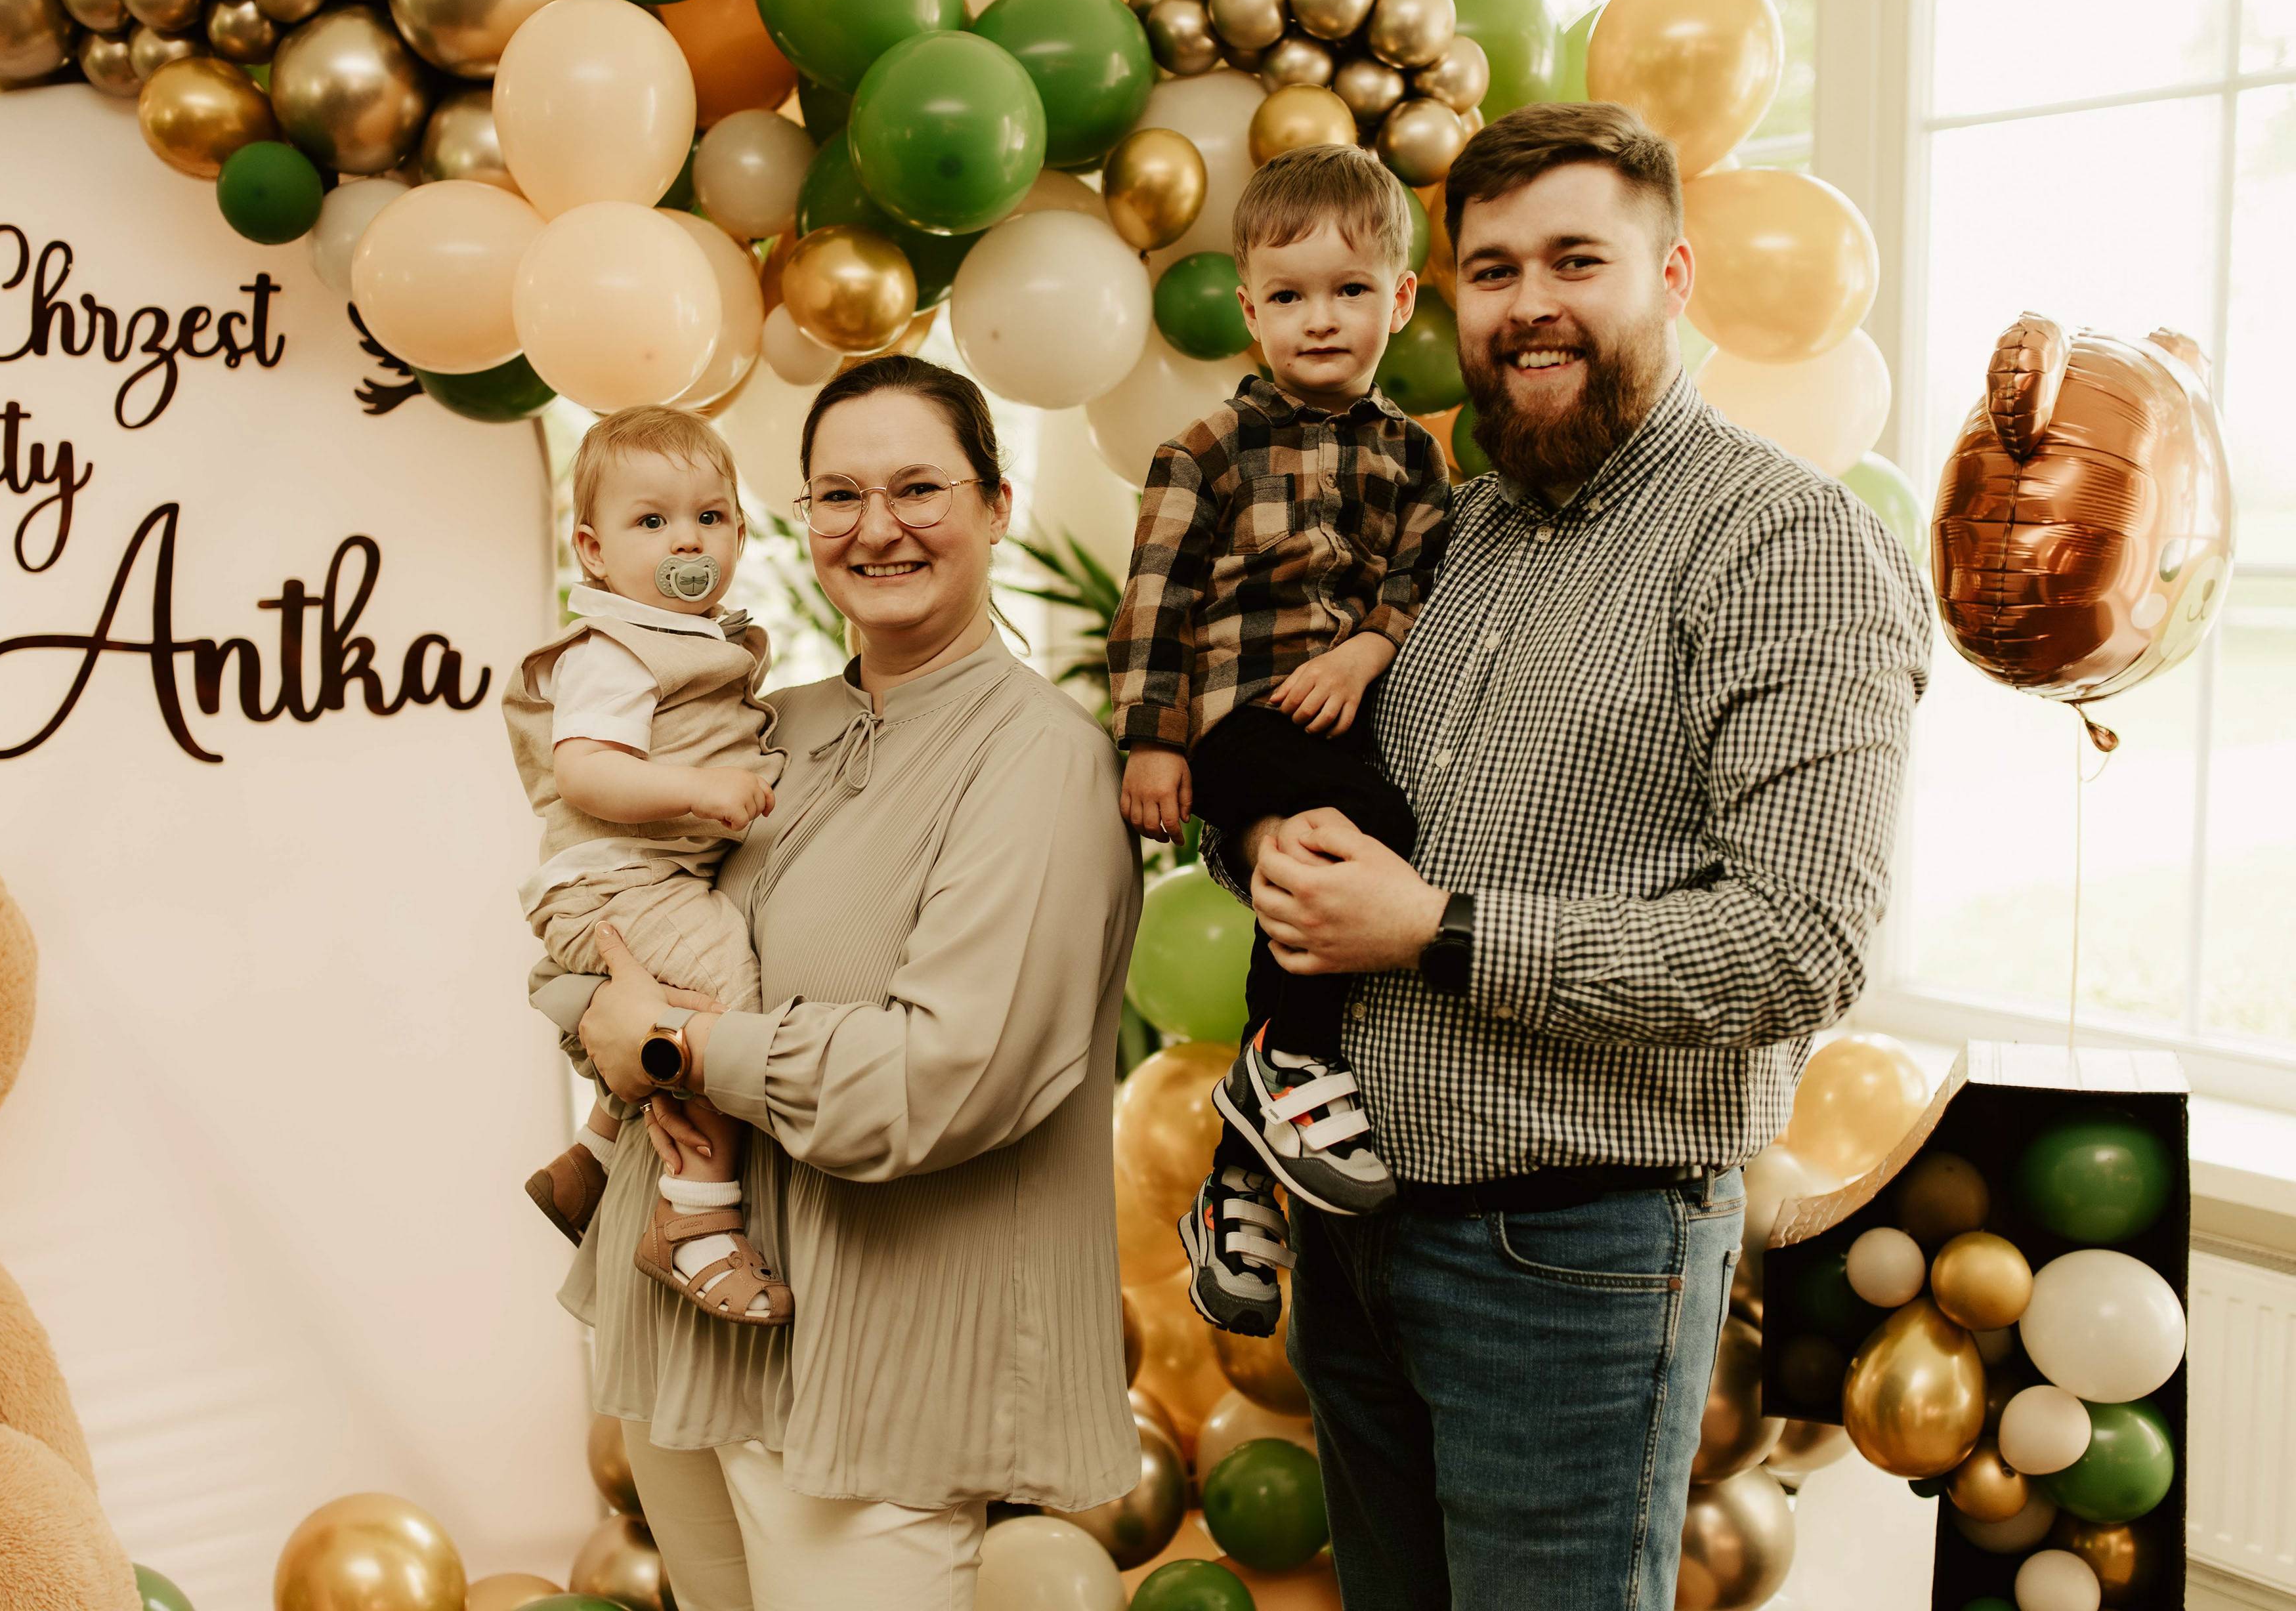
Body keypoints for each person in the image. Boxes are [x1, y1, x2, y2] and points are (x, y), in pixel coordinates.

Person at [1211, 103, 1932, 1609]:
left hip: (1569, 1263)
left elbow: (1801, 939)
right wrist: (1271, 840)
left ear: (1673, 276)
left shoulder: (1782, 542)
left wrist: (1439, 929)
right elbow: (1316, 787)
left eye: (1575, 260)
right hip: (1352, 1237)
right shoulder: (1445, 535)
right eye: (1494, 270)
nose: (1530, 303)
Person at [529, 358, 1143, 1611]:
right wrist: (594, 1015)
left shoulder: (1044, 763)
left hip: (877, 1377)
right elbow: (601, 915)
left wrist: (678, 1046)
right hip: (691, 1342)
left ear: (997, 504)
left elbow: (937, 1080)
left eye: (918, 488)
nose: (877, 527)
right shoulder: (769, 724)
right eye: (839, 496)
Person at [1107, 144, 1452, 1337]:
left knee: (1319, 878)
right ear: (1251, 311)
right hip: (1231, 722)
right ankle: (1289, 1074)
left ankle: (1241, 1182)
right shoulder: (1203, 452)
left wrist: (1369, 651)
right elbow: (1153, 602)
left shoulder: (1413, 456)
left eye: (1351, 291)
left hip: (1331, 723)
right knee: (1366, 832)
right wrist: (1153, 744)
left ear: (1399, 300)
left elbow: (1415, 580)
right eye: (1291, 296)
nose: (1322, 319)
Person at [503, 406, 792, 1324]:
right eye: (652, 520)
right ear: (593, 551)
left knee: (677, 1010)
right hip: (616, 881)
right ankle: (694, 1220)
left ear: (740, 532)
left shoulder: (695, 641)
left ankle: (589, 1163)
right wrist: (697, 788)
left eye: (710, 517)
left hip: (635, 878)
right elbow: (585, 769)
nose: (687, 540)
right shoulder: (615, 651)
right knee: (726, 1005)